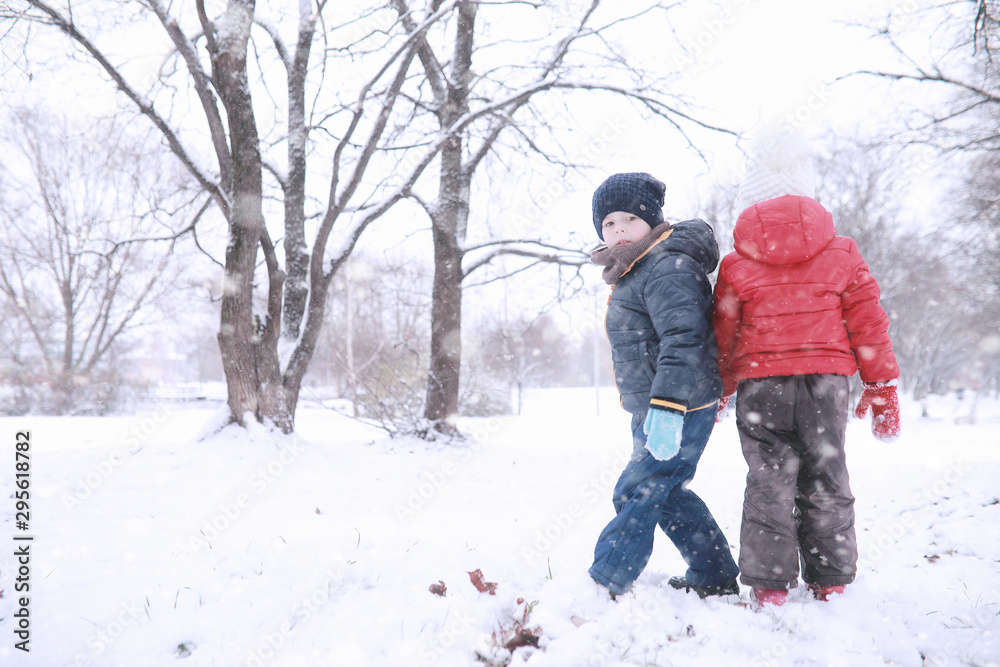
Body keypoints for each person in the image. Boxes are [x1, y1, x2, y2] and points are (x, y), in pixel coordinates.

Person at [712, 135, 901, 607]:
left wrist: (720, 388)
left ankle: (771, 584)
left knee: (769, 479)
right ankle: (831, 578)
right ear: (809, 195)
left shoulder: (736, 264)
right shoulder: (841, 252)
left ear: (749, 201)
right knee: (826, 473)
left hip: (763, 385)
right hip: (825, 383)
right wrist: (880, 385)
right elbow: (867, 319)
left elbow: (724, 333)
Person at [587, 172, 740, 599]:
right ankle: (713, 574)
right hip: (656, 405)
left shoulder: (665, 265)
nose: (618, 230)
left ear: (651, 222)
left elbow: (684, 339)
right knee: (666, 491)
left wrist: (668, 406)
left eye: (628, 220)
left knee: (639, 488)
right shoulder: (637, 268)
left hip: (678, 403)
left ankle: (607, 581)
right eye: (608, 223)